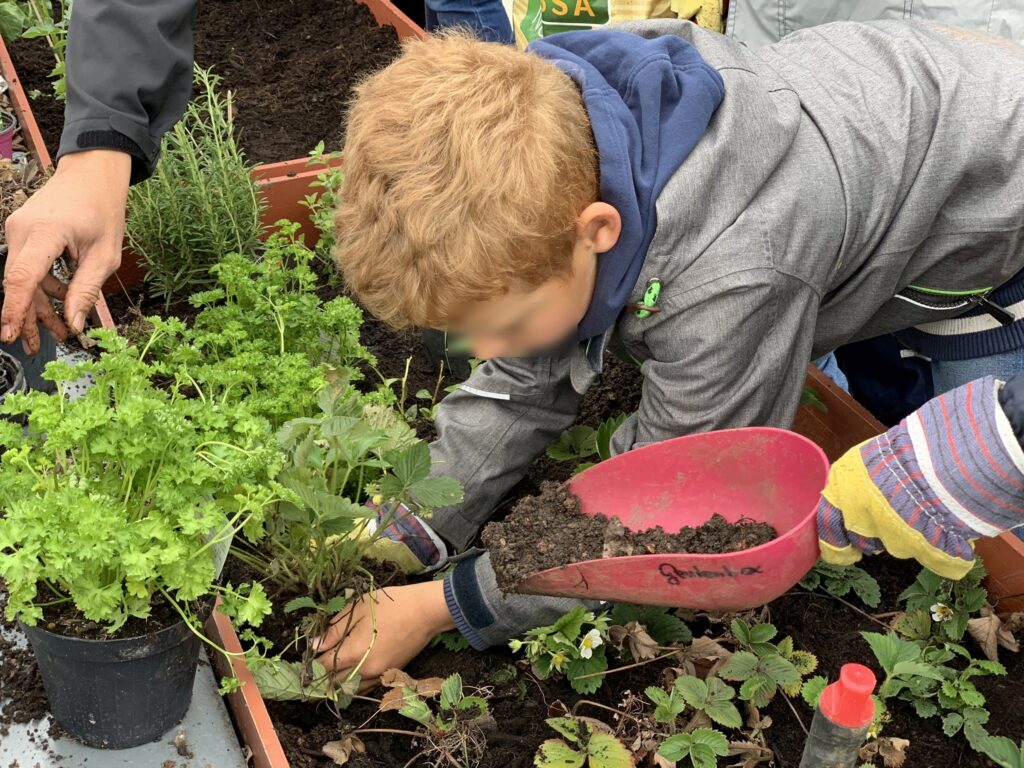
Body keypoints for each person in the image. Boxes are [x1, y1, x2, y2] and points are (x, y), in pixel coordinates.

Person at [318, 21, 1024, 687]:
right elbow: (525, 376)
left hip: (994, 209)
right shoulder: (568, 142)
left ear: (597, 230)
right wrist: (410, 521)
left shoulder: (735, 276)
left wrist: (444, 604)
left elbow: (673, 496)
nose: (488, 351)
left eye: (504, 324)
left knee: (982, 483)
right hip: (895, 132)